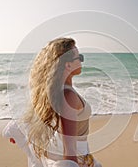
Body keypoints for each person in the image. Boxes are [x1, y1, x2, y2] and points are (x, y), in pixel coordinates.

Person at [21, 37, 102, 167]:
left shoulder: (61, 91)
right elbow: (69, 150)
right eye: (79, 57)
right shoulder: (68, 96)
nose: (82, 61)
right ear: (68, 64)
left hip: (83, 157)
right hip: (80, 161)